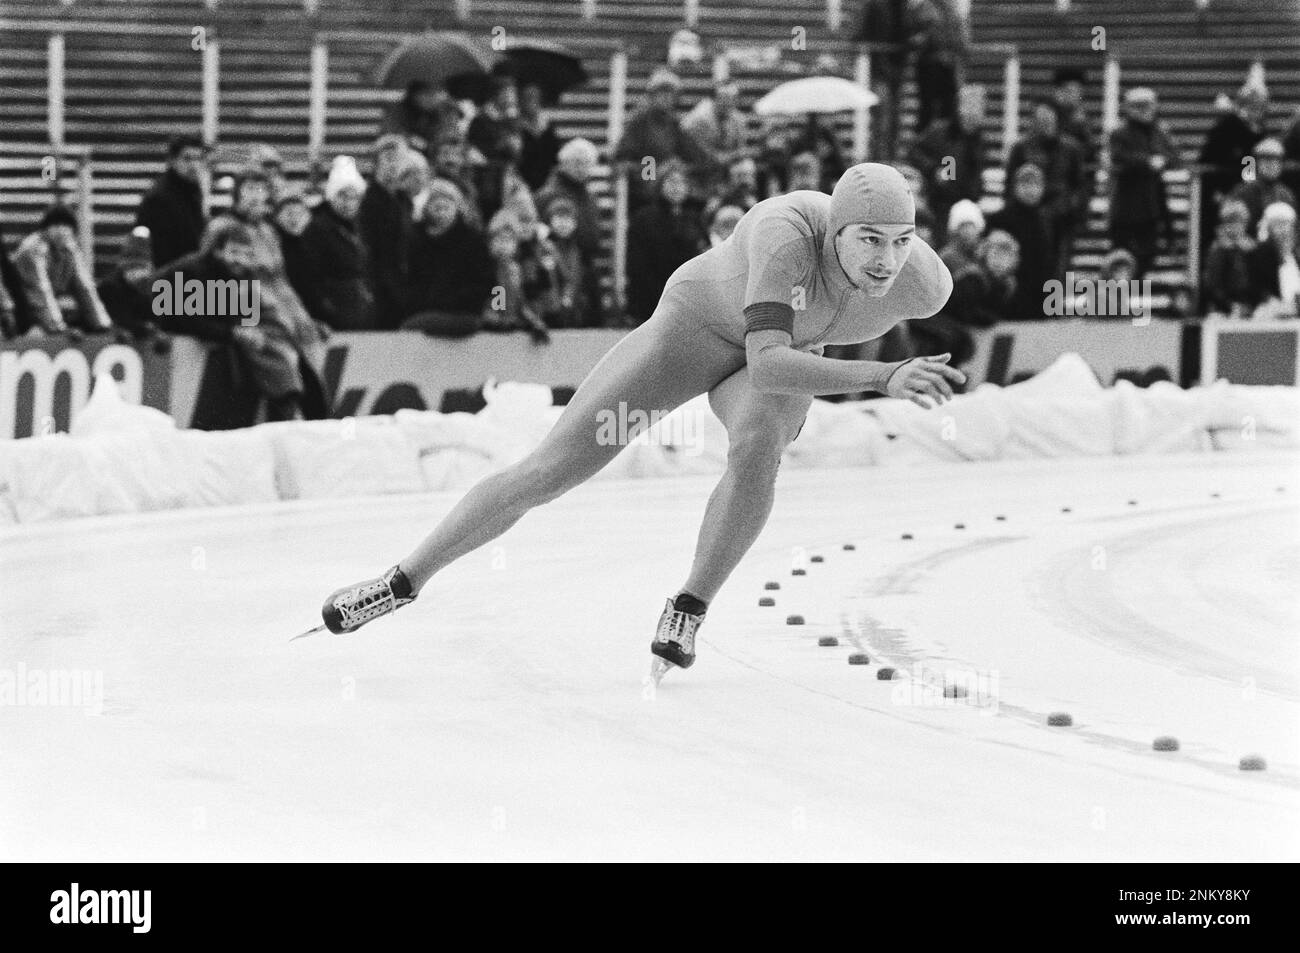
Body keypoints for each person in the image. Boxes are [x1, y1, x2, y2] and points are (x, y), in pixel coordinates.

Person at [314, 163, 960, 686]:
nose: (885, 261)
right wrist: (883, 375)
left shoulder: (923, 285)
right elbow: (766, 362)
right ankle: (403, 581)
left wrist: (879, 362)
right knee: (551, 471)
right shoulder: (786, 234)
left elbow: (772, 371)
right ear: (834, 231)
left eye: (900, 242)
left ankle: (688, 607)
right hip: (697, 332)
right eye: (868, 241)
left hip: (786, 353)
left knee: (759, 447)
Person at [155, 218, 322, 421]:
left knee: (269, 339)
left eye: (247, 255)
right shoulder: (194, 272)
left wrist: (244, 330)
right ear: (218, 251)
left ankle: (289, 401)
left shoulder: (245, 278)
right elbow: (178, 318)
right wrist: (233, 332)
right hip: (161, 324)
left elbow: (247, 319)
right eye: (234, 252)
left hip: (223, 343)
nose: (240, 260)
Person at [401, 178, 495, 336]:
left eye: (446, 207)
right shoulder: (415, 239)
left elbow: (492, 284)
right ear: (426, 208)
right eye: (437, 207)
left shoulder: (472, 240)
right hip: (424, 309)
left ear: (457, 208)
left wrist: (498, 310)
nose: (442, 213)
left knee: (409, 329)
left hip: (463, 312)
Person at [1006, 99, 1088, 278]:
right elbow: (1010, 184)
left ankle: (1053, 302)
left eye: (1050, 119)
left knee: (1058, 268)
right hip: (1028, 216)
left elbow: (1080, 185)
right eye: (1041, 119)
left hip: (1061, 217)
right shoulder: (1021, 148)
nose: (1046, 124)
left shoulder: (1072, 148)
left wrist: (1074, 210)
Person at [1108, 87, 1182, 279]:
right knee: (1121, 257)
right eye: (1138, 106)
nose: (1144, 110)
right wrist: (1147, 162)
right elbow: (1118, 157)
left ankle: (1137, 296)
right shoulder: (1120, 133)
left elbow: (1174, 156)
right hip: (1126, 204)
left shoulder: (1160, 132)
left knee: (1148, 254)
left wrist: (1162, 160)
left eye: (1147, 106)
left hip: (1151, 203)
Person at [624, 162, 709, 325]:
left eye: (681, 182)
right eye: (671, 182)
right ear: (660, 185)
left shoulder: (695, 218)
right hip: (651, 295)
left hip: (686, 295)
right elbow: (637, 263)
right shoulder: (643, 218)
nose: (676, 187)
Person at [11, 205, 114, 336]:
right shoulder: (33, 249)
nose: (61, 231)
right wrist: (58, 328)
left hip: (38, 313)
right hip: (19, 312)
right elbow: (41, 290)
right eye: (56, 225)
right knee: (37, 336)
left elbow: (85, 288)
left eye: (66, 226)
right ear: (46, 228)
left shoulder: (70, 250)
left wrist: (103, 326)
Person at [613, 68, 708, 209]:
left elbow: (696, 156)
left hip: (669, 184)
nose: (666, 97)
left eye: (670, 94)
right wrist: (656, 169)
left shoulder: (673, 124)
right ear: (652, 96)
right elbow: (621, 159)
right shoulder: (639, 122)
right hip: (643, 188)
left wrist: (677, 166)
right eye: (661, 93)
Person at [300, 156, 377, 331]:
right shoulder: (318, 228)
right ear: (332, 196)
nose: (348, 203)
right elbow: (310, 277)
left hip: (360, 306)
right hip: (334, 309)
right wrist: (325, 308)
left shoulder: (360, 227)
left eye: (354, 197)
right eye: (342, 196)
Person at [906, 83, 986, 248]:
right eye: (969, 104)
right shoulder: (941, 130)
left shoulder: (978, 138)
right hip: (941, 202)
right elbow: (914, 151)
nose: (974, 110)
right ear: (960, 106)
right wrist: (933, 169)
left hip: (967, 203)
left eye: (978, 105)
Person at [1198, 82, 1269, 259]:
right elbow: (1207, 161)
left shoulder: (1258, 132)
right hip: (1220, 194)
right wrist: (1217, 192)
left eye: (1259, 107)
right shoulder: (1225, 127)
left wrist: (1249, 185)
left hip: (1242, 194)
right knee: (1217, 239)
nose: (1255, 112)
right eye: (1251, 106)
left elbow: (1249, 162)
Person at [986, 163, 1053, 320]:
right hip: (1011, 298)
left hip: (1040, 296)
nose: (1031, 190)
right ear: (1015, 187)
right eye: (1025, 184)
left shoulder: (1045, 220)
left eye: (1036, 184)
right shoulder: (1000, 219)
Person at [135, 134, 209, 268]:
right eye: (187, 158)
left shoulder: (192, 189)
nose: (194, 165)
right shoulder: (158, 197)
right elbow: (158, 251)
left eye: (198, 159)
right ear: (173, 160)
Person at [1226, 138, 1296, 236]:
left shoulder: (1286, 195)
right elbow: (1231, 224)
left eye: (1276, 161)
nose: (1271, 165)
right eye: (1266, 160)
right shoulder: (1242, 192)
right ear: (1257, 163)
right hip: (1249, 247)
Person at [383, 79, 462, 159]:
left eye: (432, 94)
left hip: (435, 156)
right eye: (424, 94)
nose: (430, 99)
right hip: (405, 154)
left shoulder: (446, 111)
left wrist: (428, 146)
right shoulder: (400, 110)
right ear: (414, 96)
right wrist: (408, 138)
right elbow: (392, 131)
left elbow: (447, 138)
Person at [1247, 201, 1300, 319]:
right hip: (1270, 314)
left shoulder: (1296, 255)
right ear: (1269, 228)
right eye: (1279, 225)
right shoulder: (1259, 255)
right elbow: (1256, 289)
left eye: (1287, 225)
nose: (1284, 230)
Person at [517, 82, 562, 193]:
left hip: (544, 182)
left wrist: (550, 182)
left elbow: (555, 157)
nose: (531, 103)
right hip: (522, 182)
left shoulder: (547, 126)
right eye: (527, 99)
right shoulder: (516, 127)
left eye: (534, 99)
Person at [938, 198, 984, 276]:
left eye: (971, 225)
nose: (967, 231)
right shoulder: (947, 256)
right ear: (956, 230)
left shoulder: (984, 253)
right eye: (963, 226)